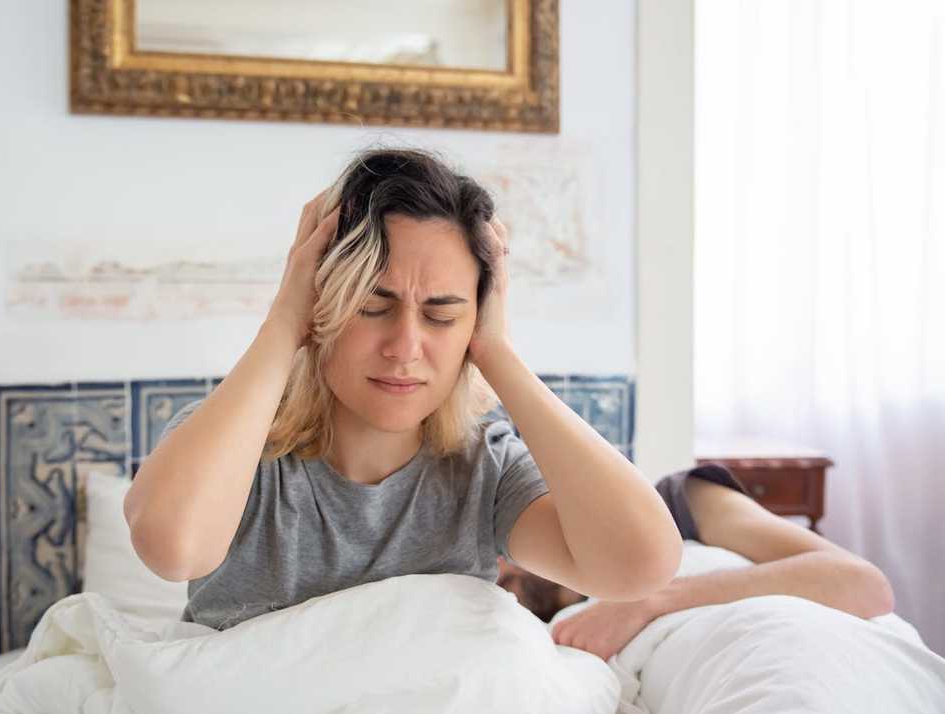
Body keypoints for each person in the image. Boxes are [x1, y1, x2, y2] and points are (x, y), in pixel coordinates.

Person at [122, 147, 683, 631]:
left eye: (442, 315)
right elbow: (174, 550)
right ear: (322, 303)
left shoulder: (485, 468)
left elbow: (640, 565)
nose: (405, 347)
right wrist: (283, 324)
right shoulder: (236, 448)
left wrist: (499, 354)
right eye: (372, 307)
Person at [501, 463, 896, 660]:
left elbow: (864, 585)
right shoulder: (498, 613)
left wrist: (649, 601)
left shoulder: (681, 505)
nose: (504, 565)